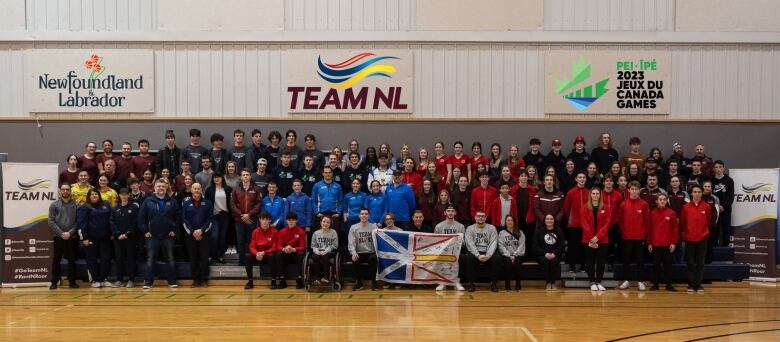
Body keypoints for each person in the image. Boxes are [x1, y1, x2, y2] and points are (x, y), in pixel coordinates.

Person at [138, 179, 180, 289]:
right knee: (150, 259)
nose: (161, 188)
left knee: (170, 259)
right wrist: (145, 231)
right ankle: (148, 282)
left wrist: (174, 230)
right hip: (152, 236)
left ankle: (172, 281)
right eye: (159, 186)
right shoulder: (148, 201)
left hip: (168, 236)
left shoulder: (172, 201)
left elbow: (178, 218)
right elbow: (141, 218)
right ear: (154, 188)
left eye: (163, 186)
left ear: (166, 188)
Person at [617, 181, 650, 291]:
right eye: (632, 189)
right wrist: (624, 232)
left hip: (640, 237)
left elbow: (647, 222)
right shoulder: (623, 204)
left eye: (636, 189)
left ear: (638, 191)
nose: (634, 191)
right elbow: (620, 221)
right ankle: (626, 280)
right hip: (627, 237)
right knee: (626, 259)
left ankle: (640, 281)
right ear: (629, 190)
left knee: (640, 260)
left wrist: (644, 235)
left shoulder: (644, 204)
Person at [77, 189, 113, 288]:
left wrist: (112, 233)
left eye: (96, 194)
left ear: (99, 195)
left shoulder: (106, 204)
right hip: (91, 238)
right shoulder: (85, 207)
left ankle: (103, 279)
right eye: (92, 194)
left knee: (106, 258)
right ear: (89, 196)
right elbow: (81, 224)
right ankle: (94, 279)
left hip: (105, 238)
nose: (94, 195)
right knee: (91, 259)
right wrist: (84, 238)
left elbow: (111, 219)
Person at [681, 185, 712, 292]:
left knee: (700, 262)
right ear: (691, 194)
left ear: (702, 193)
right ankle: (690, 284)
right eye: (695, 192)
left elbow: (708, 221)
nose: (697, 194)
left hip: (703, 237)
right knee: (690, 262)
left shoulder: (707, 207)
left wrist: (704, 233)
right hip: (689, 238)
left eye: (699, 192)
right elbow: (683, 223)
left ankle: (698, 284)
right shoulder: (686, 207)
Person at [48, 184, 79, 289]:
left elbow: (77, 222)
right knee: (56, 259)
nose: (65, 191)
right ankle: (54, 281)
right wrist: (61, 233)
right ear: (60, 191)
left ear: (70, 191)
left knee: (71, 259)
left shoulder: (76, 205)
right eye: (63, 189)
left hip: (72, 237)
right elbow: (51, 221)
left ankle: (72, 281)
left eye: (67, 189)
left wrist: (70, 233)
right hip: (58, 237)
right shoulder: (54, 205)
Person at [181, 183, 213, 287]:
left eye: (198, 188)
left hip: (205, 235)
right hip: (190, 236)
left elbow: (210, 219)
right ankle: (195, 279)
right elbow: (184, 220)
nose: (196, 190)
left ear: (201, 190)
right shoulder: (186, 203)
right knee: (193, 258)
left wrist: (201, 231)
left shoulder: (207, 203)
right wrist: (193, 231)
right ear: (191, 190)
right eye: (194, 188)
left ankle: (204, 279)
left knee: (204, 258)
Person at [231, 169, 263, 266]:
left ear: (250, 176)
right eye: (243, 175)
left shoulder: (256, 189)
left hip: (251, 219)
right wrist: (242, 215)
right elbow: (232, 204)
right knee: (240, 241)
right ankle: (241, 261)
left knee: (251, 241)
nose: (245, 176)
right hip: (239, 220)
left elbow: (258, 204)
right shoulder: (236, 189)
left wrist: (249, 215)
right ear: (241, 177)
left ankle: (250, 260)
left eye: (247, 175)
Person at [581, 188, 610, 291]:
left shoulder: (606, 207)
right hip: (588, 239)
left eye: (597, 193)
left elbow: (607, 224)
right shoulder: (584, 208)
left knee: (601, 261)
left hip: (602, 239)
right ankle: (592, 282)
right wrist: (592, 238)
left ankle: (599, 281)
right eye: (593, 193)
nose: (595, 195)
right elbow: (584, 224)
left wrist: (598, 236)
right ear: (590, 195)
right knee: (590, 261)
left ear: (600, 195)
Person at [648, 194, 679, 291]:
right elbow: (649, 229)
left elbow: (675, 229)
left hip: (667, 245)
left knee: (668, 265)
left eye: (664, 200)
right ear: (656, 201)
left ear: (666, 201)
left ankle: (669, 285)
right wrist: (649, 242)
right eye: (660, 199)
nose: (662, 201)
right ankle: (655, 284)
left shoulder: (672, 213)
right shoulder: (652, 213)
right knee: (656, 265)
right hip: (656, 244)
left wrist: (673, 243)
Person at [111, 188, 140, 288]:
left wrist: (127, 234)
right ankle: (119, 279)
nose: (124, 196)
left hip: (130, 238)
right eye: (122, 194)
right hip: (118, 238)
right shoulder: (115, 208)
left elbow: (135, 222)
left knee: (131, 258)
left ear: (128, 195)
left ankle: (131, 280)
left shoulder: (134, 207)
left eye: (126, 194)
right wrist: (118, 234)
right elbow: (112, 222)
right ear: (119, 195)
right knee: (119, 259)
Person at [464, 211, 499, 292]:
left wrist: (488, 255)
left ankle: (494, 283)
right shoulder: (470, 228)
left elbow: (493, 243)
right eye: (478, 216)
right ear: (475, 217)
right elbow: (470, 244)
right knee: (469, 258)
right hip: (475, 252)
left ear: (485, 218)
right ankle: (471, 283)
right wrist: (477, 255)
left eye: (482, 216)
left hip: (487, 251)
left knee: (497, 258)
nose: (480, 218)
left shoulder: (492, 228)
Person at [434, 204, 466, 292]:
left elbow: (463, 242)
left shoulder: (460, 226)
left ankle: (456, 281)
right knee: (440, 256)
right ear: (445, 213)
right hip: (443, 250)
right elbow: (436, 242)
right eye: (448, 211)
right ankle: (442, 282)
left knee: (462, 257)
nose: (450, 213)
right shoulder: (439, 226)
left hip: (456, 250)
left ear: (455, 213)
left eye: (452, 211)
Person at [244, 213, 279, 290]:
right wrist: (256, 253)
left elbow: (274, 247)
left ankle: (273, 280)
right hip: (258, 255)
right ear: (260, 220)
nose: (264, 221)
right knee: (248, 256)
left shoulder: (274, 231)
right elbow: (252, 246)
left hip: (268, 255)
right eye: (263, 219)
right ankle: (250, 281)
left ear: (270, 220)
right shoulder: (255, 231)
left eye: (267, 219)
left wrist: (264, 253)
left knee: (272, 256)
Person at [563, 172, 589, 272]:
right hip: (574, 224)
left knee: (584, 246)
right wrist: (571, 219)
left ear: (585, 179)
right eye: (580, 177)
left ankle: (583, 265)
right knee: (572, 246)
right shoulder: (571, 192)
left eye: (583, 177)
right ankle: (572, 266)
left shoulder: (589, 192)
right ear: (576, 179)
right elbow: (566, 208)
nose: (582, 179)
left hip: (586, 225)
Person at [348, 208, 378, 291]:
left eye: (366, 214)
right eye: (362, 214)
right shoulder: (353, 227)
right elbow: (351, 242)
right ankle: (359, 282)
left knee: (373, 258)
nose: (364, 215)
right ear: (359, 215)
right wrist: (353, 253)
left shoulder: (374, 227)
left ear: (369, 215)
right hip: (359, 252)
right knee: (355, 259)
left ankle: (374, 281)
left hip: (371, 252)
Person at [275, 213, 307, 289]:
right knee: (278, 255)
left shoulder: (301, 231)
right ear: (286, 221)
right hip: (286, 253)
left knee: (301, 254)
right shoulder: (282, 231)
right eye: (289, 220)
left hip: (295, 254)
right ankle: (282, 280)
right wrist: (284, 249)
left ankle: (299, 279)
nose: (291, 222)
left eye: (293, 220)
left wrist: (293, 249)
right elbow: (278, 246)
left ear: (296, 221)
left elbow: (303, 247)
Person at [205, 172, 232, 264]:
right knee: (214, 236)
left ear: (222, 178)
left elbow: (231, 203)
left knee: (222, 237)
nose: (216, 179)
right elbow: (207, 204)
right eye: (214, 177)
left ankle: (221, 256)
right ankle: (212, 256)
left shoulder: (228, 189)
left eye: (218, 177)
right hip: (214, 216)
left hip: (225, 215)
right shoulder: (209, 190)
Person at [535, 214, 565, 290]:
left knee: (553, 262)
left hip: (555, 254)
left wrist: (554, 254)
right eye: (547, 219)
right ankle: (548, 283)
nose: (549, 220)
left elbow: (561, 246)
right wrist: (545, 254)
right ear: (544, 221)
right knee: (545, 262)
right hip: (542, 254)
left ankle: (553, 283)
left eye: (551, 219)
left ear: (554, 221)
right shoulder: (539, 231)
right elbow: (535, 246)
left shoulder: (559, 231)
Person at [312, 166, 343, 233]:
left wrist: (339, 213)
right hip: (321, 214)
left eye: (329, 172)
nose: (328, 174)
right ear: (323, 174)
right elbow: (313, 201)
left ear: (332, 174)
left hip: (334, 214)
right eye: (326, 173)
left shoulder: (338, 186)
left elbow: (341, 201)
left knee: (334, 235)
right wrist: (317, 213)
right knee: (320, 235)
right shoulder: (317, 185)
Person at [498, 215, 525, 291]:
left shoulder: (520, 232)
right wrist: (509, 255)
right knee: (507, 263)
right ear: (505, 222)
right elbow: (501, 246)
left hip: (518, 254)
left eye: (511, 220)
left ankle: (518, 284)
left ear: (514, 222)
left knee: (517, 263)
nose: (510, 222)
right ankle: (507, 284)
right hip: (507, 255)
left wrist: (515, 255)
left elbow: (522, 245)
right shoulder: (501, 233)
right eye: (508, 220)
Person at [711, 160, 734, 246]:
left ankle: (725, 250)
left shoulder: (729, 180)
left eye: (720, 167)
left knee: (726, 231)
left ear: (723, 168)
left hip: (726, 210)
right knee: (714, 231)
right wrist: (716, 207)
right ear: (713, 169)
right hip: (714, 210)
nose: (718, 169)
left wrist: (723, 207)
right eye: (716, 167)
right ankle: (714, 250)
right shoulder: (711, 180)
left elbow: (730, 196)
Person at [310, 215, 338, 285]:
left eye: (328, 222)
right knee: (314, 257)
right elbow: (313, 246)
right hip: (318, 251)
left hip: (329, 251)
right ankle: (316, 277)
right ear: (320, 222)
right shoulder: (316, 233)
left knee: (325, 256)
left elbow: (335, 245)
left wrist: (325, 251)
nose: (325, 223)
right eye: (324, 221)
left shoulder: (333, 232)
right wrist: (317, 251)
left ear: (330, 224)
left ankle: (326, 277)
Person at [287, 179, 313, 246]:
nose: (296, 187)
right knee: (292, 242)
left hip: (303, 225)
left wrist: (308, 225)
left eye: (298, 185)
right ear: (292, 187)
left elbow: (308, 212)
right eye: (295, 185)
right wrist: (286, 224)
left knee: (302, 243)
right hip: (292, 224)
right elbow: (286, 213)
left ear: (301, 186)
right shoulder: (289, 198)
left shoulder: (306, 198)